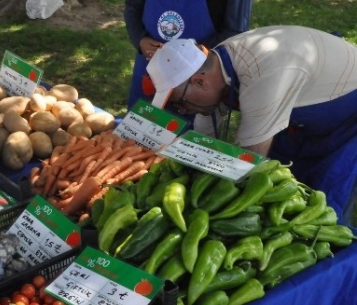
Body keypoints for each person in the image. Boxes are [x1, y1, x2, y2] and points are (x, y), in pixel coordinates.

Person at [146, 26, 357, 213]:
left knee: (324, 203)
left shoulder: (264, 77)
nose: (182, 110)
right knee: (286, 186)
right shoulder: (217, 65)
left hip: (347, 118)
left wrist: (208, 206)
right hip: (301, 113)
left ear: (200, 82)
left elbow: (251, 161)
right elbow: (205, 136)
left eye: (179, 102)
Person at [124, 0, 253, 110]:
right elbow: (132, 6)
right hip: (149, 71)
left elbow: (235, 33)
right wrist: (140, 39)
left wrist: (187, 57)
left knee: (185, 132)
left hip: (196, 81)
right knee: (140, 126)